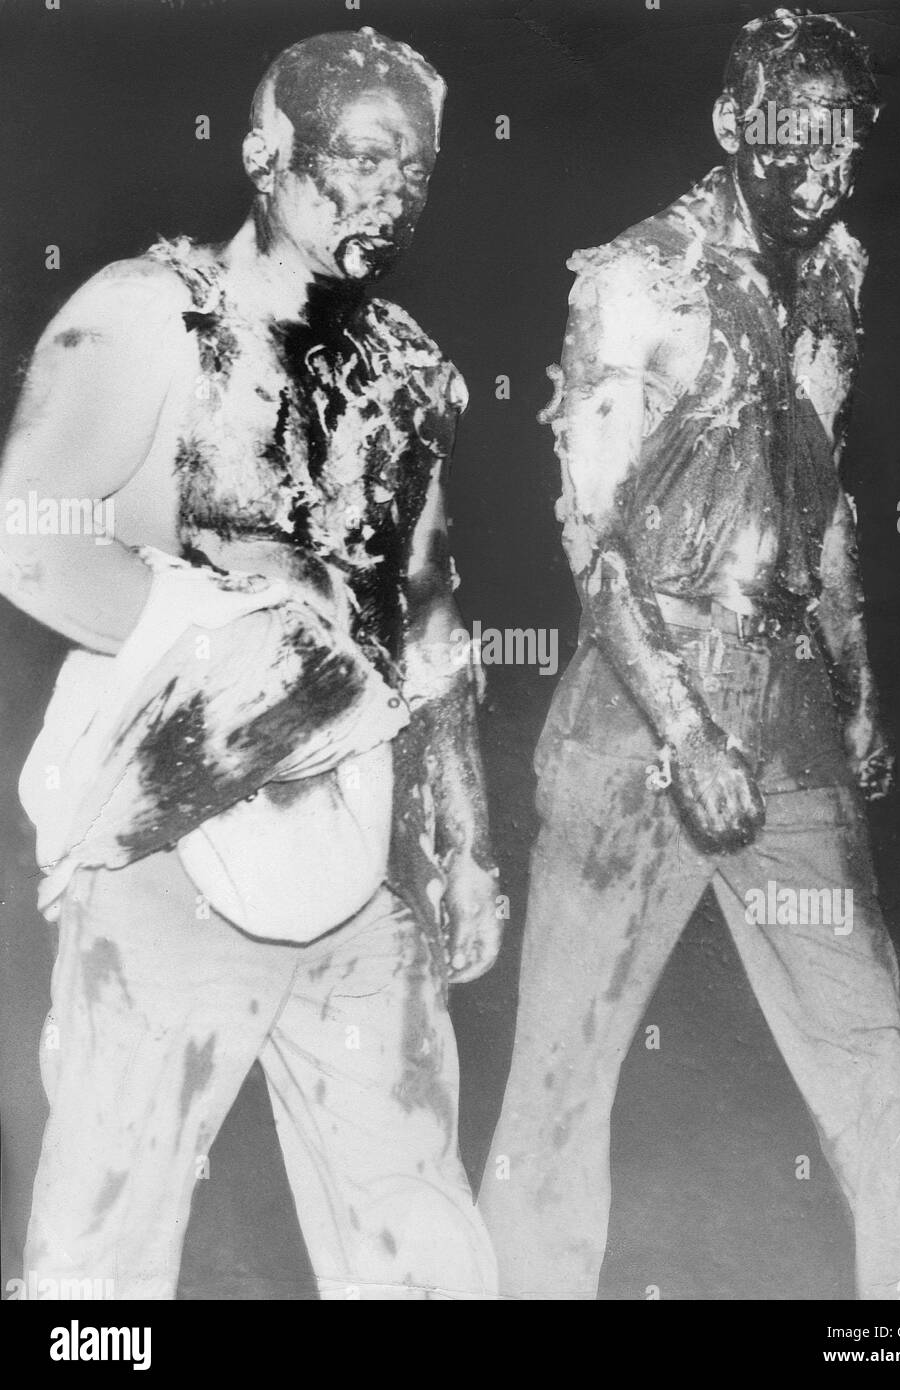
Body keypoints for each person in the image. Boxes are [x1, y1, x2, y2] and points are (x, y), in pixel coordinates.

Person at [479, 7, 900, 1300]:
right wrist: (687, 732)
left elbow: (819, 495)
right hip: (636, 724)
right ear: (731, 125)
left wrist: (854, 680)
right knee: (560, 1075)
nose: (819, 156)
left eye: (842, 128)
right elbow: (591, 538)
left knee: (870, 1045)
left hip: (785, 704)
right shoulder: (642, 279)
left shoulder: (837, 269)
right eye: (790, 124)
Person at [0, 27, 500, 1300]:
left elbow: (430, 615)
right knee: (98, 1264)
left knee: (422, 1244)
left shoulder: (405, 374)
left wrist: (468, 846)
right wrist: (240, 644)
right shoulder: (148, 317)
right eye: (365, 159)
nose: (392, 195)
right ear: (266, 155)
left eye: (418, 172)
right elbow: (28, 539)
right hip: (174, 864)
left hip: (354, 881)